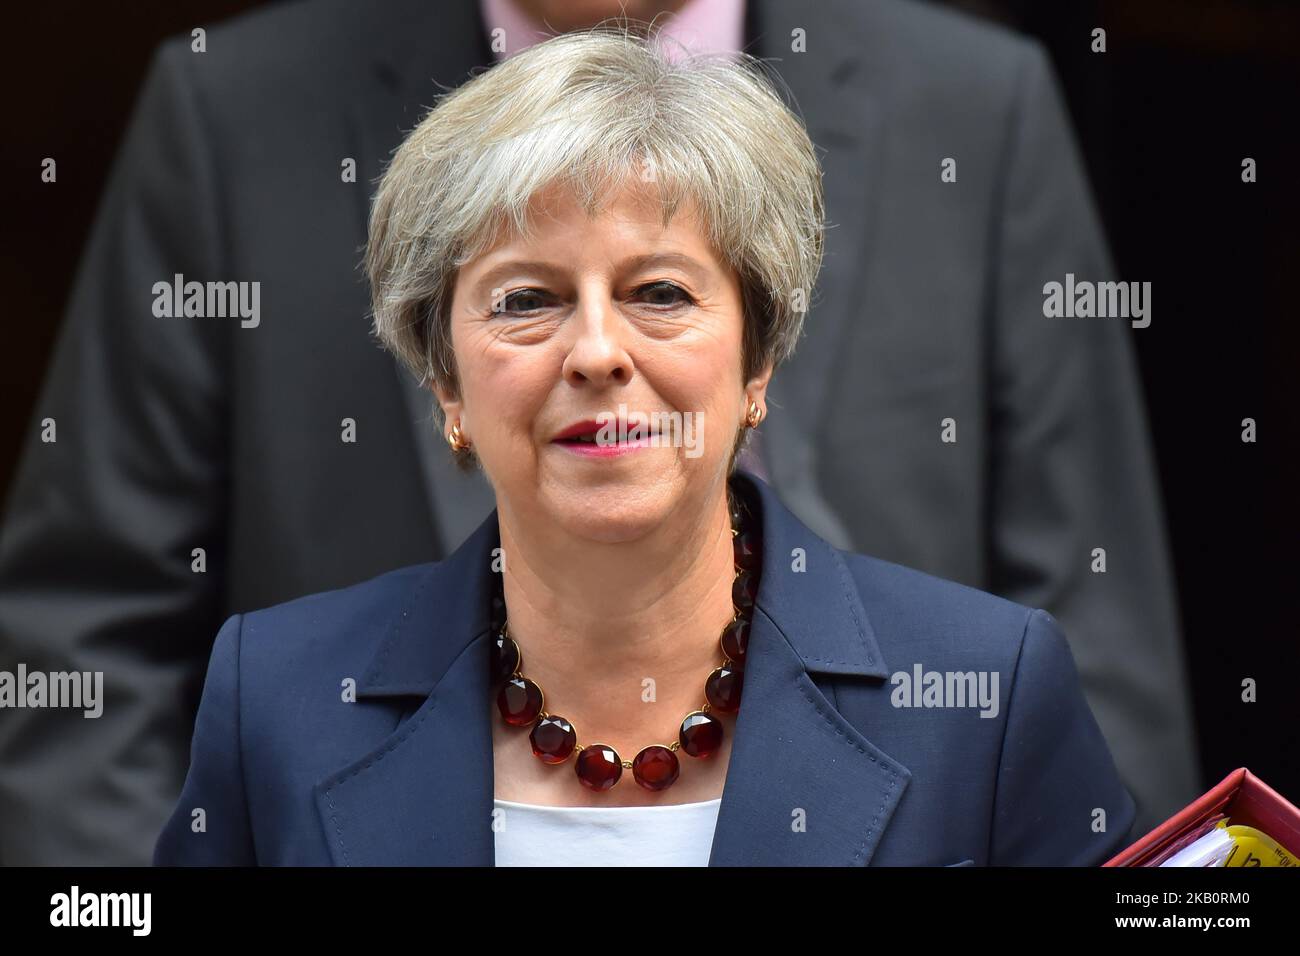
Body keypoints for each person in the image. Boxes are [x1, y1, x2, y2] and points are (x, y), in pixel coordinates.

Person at [0, 0, 1196, 866]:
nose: (595, 351)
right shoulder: (273, 699)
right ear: (442, 379)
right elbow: (81, 623)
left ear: (761, 357)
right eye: (523, 299)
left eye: (664, 291)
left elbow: (1100, 614)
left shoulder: (994, 690)